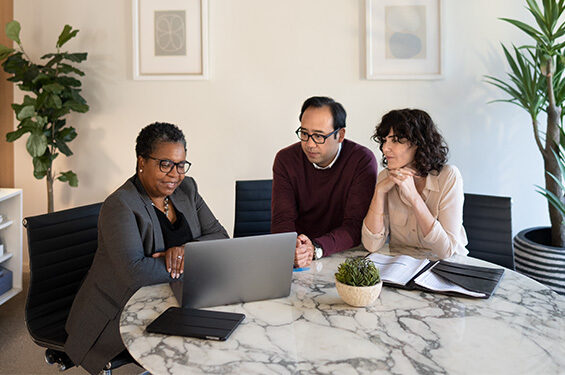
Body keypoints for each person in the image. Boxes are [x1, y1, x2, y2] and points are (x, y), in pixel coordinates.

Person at [64, 122, 228, 374]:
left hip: (178, 297)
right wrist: (196, 263)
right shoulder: (120, 205)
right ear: (141, 161)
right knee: (201, 347)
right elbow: (136, 273)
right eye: (165, 164)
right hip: (121, 310)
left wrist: (185, 250)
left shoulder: (187, 189)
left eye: (181, 164)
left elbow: (220, 237)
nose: (175, 174)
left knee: (228, 331)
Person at [271, 96, 378, 268]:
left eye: (319, 136)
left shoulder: (361, 161)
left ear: (340, 135)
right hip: (299, 256)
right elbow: (282, 220)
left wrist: (316, 248)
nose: (310, 144)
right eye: (304, 134)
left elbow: (355, 225)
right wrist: (295, 249)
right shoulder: (286, 159)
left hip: (344, 255)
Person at [362, 109, 468, 259]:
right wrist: (379, 193)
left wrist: (414, 197)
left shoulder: (449, 177)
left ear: (418, 143)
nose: (385, 148)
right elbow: (371, 245)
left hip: (447, 268)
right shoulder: (385, 178)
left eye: (395, 140)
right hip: (402, 270)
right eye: (385, 140)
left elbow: (446, 251)